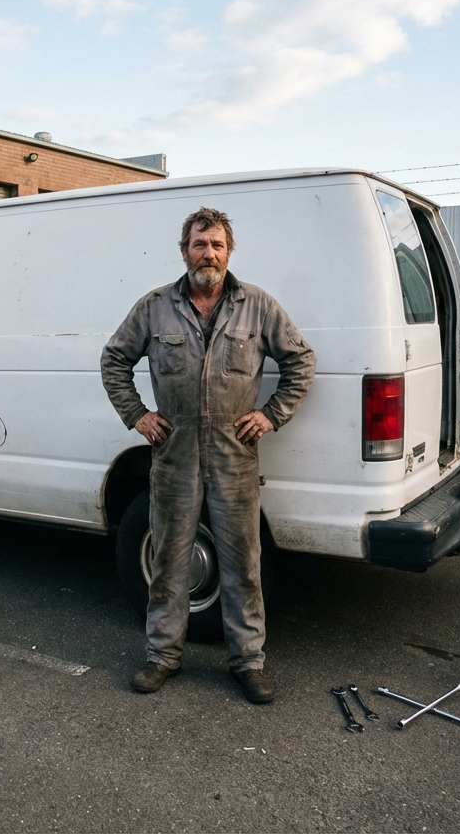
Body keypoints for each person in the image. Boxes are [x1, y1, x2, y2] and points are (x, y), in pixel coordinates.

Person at [100, 207, 316, 704]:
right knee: (168, 557)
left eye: (217, 245)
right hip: (173, 449)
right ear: (184, 252)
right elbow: (114, 358)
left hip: (233, 451)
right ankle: (162, 656)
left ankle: (248, 662)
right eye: (200, 244)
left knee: (243, 563)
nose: (209, 253)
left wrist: (270, 415)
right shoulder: (154, 307)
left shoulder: (257, 306)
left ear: (229, 252)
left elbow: (300, 360)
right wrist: (137, 414)